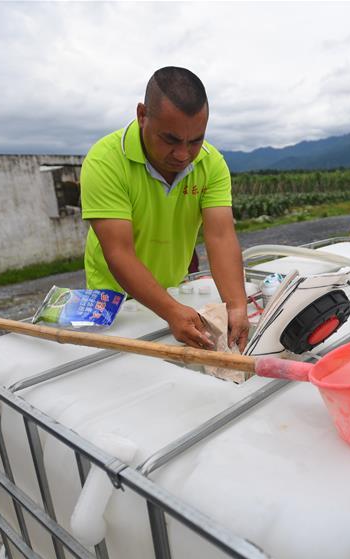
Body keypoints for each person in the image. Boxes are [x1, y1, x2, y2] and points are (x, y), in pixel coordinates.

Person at [80, 67, 248, 350]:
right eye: (170, 139)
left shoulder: (211, 163)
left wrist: (237, 305)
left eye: (195, 140)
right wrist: (170, 311)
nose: (183, 155)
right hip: (114, 301)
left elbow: (220, 236)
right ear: (142, 115)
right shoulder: (105, 161)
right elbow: (118, 251)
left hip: (173, 290)